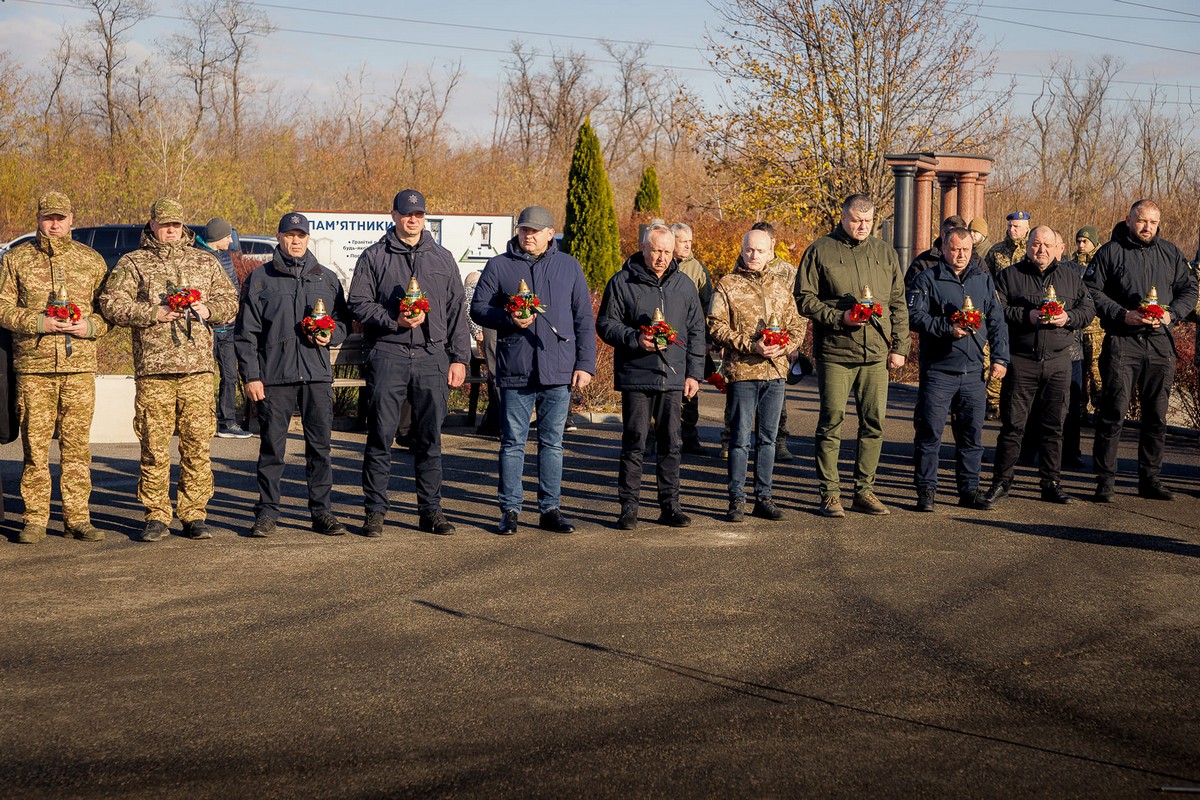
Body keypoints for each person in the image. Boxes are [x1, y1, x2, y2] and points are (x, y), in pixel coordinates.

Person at [100, 197, 239, 542]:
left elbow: (231, 302)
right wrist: (153, 313)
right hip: (154, 370)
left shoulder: (205, 262)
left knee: (196, 445)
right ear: (152, 226)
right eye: (164, 226)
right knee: (154, 445)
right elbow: (110, 304)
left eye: (176, 225)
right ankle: (156, 515)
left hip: (198, 371)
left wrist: (207, 311)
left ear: (183, 226)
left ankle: (194, 514)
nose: (171, 231)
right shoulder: (133, 263)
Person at [348, 189, 470, 536]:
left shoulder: (443, 258)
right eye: (406, 213)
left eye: (418, 214)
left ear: (424, 217)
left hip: (432, 356)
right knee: (380, 437)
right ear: (394, 216)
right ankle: (374, 512)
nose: (412, 219)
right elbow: (357, 302)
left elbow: (456, 311)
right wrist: (393, 320)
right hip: (389, 353)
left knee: (430, 439)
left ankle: (430, 510)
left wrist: (459, 358)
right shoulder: (374, 257)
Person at [470, 205, 596, 535]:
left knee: (552, 443)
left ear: (549, 233)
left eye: (535, 231)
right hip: (516, 368)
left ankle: (550, 509)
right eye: (523, 229)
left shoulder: (568, 266)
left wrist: (585, 364)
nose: (528, 235)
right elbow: (478, 308)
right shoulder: (500, 265)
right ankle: (509, 510)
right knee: (513, 442)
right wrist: (507, 318)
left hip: (558, 368)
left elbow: (583, 318)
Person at [0, 191, 110, 543]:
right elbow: (1, 308)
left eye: (61, 217)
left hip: (78, 368)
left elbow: (107, 311)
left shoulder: (91, 260)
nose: (55, 224)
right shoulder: (16, 260)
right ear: (38, 218)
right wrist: (38, 323)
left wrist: (88, 327)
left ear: (71, 219)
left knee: (77, 448)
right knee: (35, 448)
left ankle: (77, 518)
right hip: (35, 368)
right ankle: (34, 518)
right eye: (49, 217)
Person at [235, 212, 352, 538]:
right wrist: (252, 377)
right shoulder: (260, 279)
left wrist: (333, 335)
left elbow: (343, 322)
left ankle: (322, 512)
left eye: (301, 234)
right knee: (272, 449)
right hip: (275, 377)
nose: (296, 240)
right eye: (290, 234)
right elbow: (246, 334)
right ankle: (268, 512)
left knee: (320, 448)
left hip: (316, 376)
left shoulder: (326, 278)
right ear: (280, 237)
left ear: (308, 237)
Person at [795, 194, 910, 517]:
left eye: (868, 221)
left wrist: (900, 346)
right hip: (836, 353)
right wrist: (838, 318)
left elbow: (898, 302)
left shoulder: (884, 252)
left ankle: (865, 490)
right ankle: (830, 494)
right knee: (831, 422)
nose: (862, 226)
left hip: (875, 353)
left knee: (874, 423)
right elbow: (804, 298)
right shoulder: (821, 250)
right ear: (843, 217)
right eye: (856, 220)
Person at [1086, 199, 1198, 502]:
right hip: (1123, 341)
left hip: (1161, 342)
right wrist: (1122, 314)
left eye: (1153, 221)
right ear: (1128, 218)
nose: (1147, 227)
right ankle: (1105, 481)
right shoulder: (1110, 251)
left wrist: (1172, 314)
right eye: (1141, 220)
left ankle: (1150, 479)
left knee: (1157, 416)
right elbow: (1092, 291)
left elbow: (1190, 289)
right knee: (1113, 412)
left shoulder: (1171, 253)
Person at [597, 225, 704, 530]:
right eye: (655, 250)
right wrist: (634, 338)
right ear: (643, 247)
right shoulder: (622, 282)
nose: (660, 258)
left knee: (671, 442)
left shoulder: (684, 286)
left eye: (667, 252)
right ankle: (628, 507)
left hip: (672, 375)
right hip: (636, 374)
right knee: (634, 442)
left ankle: (670, 506)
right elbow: (606, 323)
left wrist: (694, 373)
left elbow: (696, 332)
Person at [983, 226, 1095, 506]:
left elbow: (1088, 310)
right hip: (1022, 360)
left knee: (1054, 426)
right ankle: (1001, 482)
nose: (1041, 249)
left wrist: (1067, 317)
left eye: (1047, 244)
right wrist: (1028, 315)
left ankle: (1051, 483)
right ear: (1028, 246)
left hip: (1059, 361)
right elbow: (996, 310)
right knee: (1013, 425)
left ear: (1057, 247)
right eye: (1036, 244)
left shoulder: (1071, 276)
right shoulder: (1010, 276)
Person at [906, 226, 1009, 512]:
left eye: (966, 250)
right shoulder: (928, 278)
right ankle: (926, 491)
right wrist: (946, 329)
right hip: (939, 370)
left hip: (973, 372)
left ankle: (969, 490)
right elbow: (914, 316)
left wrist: (1001, 358)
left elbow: (998, 321)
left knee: (972, 436)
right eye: (955, 249)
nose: (961, 255)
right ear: (945, 249)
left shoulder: (983, 280)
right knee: (930, 434)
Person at [707, 229, 806, 522]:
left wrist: (783, 347)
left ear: (770, 251)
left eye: (760, 251)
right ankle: (736, 499)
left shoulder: (780, 287)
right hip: (743, 372)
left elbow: (797, 326)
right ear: (742, 249)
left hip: (775, 373)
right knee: (739, 439)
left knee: (768, 439)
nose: (754, 256)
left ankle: (765, 497)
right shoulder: (727, 285)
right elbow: (715, 326)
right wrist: (751, 345)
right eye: (749, 250)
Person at [196, 217, 250, 439]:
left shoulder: (225, 258)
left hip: (227, 328)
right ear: (217, 237)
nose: (230, 240)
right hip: (205, 330)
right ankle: (200, 422)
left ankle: (227, 422)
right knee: (202, 377)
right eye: (228, 236)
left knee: (229, 375)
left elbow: (233, 290)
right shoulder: (198, 259)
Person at [670, 221, 713, 457]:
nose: (687, 245)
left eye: (690, 242)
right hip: (665, 340)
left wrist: (707, 340)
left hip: (689, 341)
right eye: (683, 241)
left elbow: (707, 306)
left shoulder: (697, 269)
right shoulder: (661, 264)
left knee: (690, 391)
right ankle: (653, 439)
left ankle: (689, 437)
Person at [984, 211, 1032, 419]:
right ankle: (993, 404)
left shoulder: (1033, 249)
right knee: (996, 357)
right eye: (1010, 226)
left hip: (1024, 313)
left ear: (1027, 228)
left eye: (1017, 227)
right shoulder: (997, 251)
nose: (1012, 230)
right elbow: (987, 278)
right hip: (1000, 310)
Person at [1071, 225, 1103, 417]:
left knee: (1095, 369)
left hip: (1096, 327)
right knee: (1078, 368)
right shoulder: (1072, 262)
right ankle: (1079, 407)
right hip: (1078, 325)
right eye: (1079, 241)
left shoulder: (1101, 260)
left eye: (1085, 241)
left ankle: (1100, 408)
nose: (1081, 245)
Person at [904, 215, 966, 288]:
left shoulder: (975, 262)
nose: (957, 239)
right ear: (943, 235)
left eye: (962, 235)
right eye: (952, 234)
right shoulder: (923, 262)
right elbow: (911, 292)